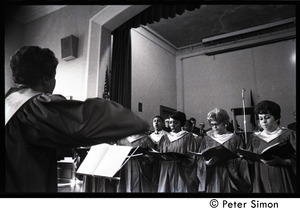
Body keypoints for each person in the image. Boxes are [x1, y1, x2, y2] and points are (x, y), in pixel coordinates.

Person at [5, 46, 149, 192]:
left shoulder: (9, 102)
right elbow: (87, 123)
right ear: (47, 78)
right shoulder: (33, 107)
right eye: (54, 77)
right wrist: (138, 122)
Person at [245, 100, 296, 193]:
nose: (263, 121)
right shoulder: (254, 138)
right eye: (260, 118)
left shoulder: (289, 135)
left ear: (276, 118)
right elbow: (248, 161)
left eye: (267, 117)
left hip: (282, 177)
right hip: (260, 178)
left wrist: (283, 161)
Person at [196, 108, 250, 193]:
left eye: (217, 124)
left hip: (230, 178)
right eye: (212, 124)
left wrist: (233, 161)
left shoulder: (235, 139)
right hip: (212, 176)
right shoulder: (206, 139)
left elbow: (242, 160)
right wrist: (206, 163)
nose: (214, 127)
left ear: (225, 123)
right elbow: (200, 159)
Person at [157, 111, 199, 192]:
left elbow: (192, 156)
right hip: (166, 169)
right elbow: (159, 153)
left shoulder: (188, 136)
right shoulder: (164, 138)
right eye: (170, 122)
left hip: (182, 170)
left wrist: (183, 161)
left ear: (181, 123)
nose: (172, 125)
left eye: (175, 123)